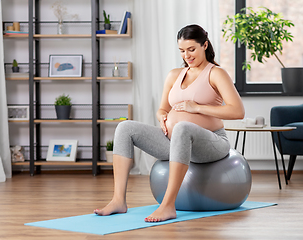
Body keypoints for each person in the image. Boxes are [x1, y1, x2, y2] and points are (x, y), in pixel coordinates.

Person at [94, 24, 245, 222]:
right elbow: (162, 109)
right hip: (174, 142)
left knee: (183, 127)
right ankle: (118, 200)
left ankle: (168, 205)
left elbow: (238, 111)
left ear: (205, 45)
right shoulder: (174, 75)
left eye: (192, 49)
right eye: (182, 51)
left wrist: (197, 107)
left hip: (212, 143)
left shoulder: (216, 73)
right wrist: (162, 118)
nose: (187, 56)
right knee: (125, 127)